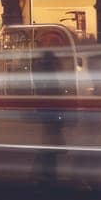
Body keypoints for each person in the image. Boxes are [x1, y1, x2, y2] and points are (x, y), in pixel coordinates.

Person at [31, 49, 70, 186]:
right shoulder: (50, 73)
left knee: (49, 145)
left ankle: (44, 174)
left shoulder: (42, 72)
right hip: (51, 113)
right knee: (50, 146)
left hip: (47, 113)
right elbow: (55, 94)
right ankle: (47, 175)